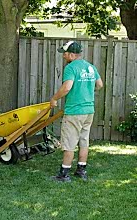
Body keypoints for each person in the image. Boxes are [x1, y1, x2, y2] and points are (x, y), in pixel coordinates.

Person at [50, 41, 103, 182]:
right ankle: (81, 170)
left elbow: (67, 87)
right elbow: (100, 85)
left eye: (65, 54)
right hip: (89, 110)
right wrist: (86, 91)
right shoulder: (90, 67)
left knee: (69, 142)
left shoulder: (71, 67)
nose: (64, 57)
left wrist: (54, 98)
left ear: (72, 55)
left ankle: (64, 174)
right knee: (84, 141)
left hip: (75, 111)